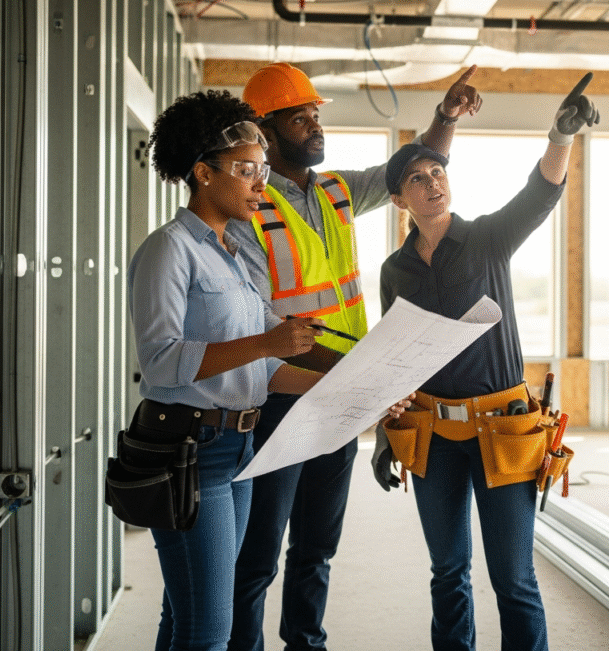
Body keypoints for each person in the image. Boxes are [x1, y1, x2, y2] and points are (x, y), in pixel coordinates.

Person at [127, 89, 410, 651]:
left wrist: (361, 397)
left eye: (262, 169)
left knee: (186, 616)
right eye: (247, 170)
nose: (261, 183)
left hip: (237, 446)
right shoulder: (169, 250)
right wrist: (266, 340)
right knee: (209, 629)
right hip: (189, 448)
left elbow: (267, 371)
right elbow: (160, 360)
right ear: (204, 173)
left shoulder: (233, 255)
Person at [227, 62, 482, 651]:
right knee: (258, 552)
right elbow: (256, 318)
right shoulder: (252, 208)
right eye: (301, 118)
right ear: (265, 131)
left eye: (317, 115)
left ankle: (305, 643)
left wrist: (445, 119)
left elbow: (408, 170)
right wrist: (347, 372)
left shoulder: (339, 190)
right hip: (283, 396)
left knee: (316, 546)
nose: (316, 127)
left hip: (342, 398)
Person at [373, 73, 600, 651]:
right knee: (448, 573)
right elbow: (394, 359)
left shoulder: (486, 240)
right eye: (418, 180)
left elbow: (539, 194)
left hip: (504, 429)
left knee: (513, 578)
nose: (432, 184)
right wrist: (383, 433)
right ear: (399, 199)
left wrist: (561, 137)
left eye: (438, 173)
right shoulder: (394, 272)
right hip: (432, 436)